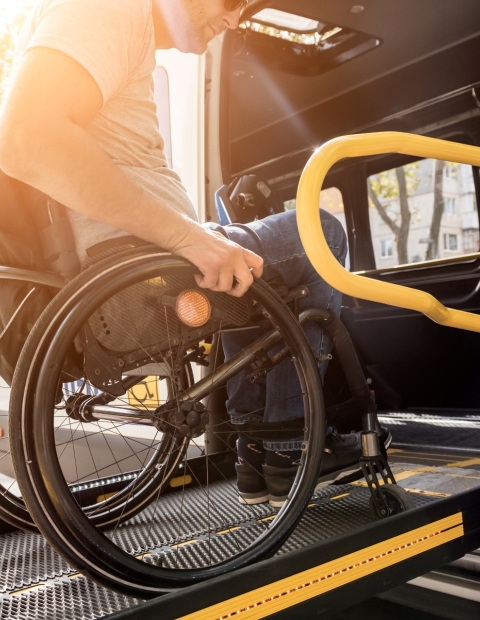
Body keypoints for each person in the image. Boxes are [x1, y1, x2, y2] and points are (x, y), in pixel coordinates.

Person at [0, 0, 366, 507]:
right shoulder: (109, 11)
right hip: (141, 265)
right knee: (318, 230)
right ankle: (290, 443)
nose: (236, 18)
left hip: (143, 256)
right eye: (231, 1)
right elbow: (26, 135)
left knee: (247, 268)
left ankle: (257, 450)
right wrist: (191, 239)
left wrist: (198, 236)